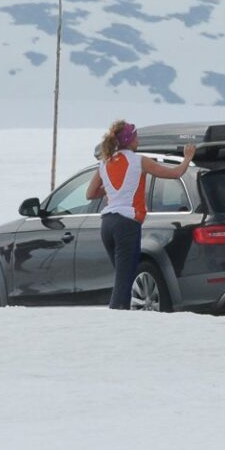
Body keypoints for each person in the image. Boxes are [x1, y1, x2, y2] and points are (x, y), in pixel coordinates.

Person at [85, 120, 194, 310]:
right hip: (126, 224)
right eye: (136, 136)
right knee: (125, 280)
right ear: (129, 140)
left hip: (108, 224)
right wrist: (187, 157)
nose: (139, 140)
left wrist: (112, 190)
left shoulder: (105, 163)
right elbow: (175, 173)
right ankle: (119, 320)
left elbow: (90, 194)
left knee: (122, 276)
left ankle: (121, 317)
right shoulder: (138, 161)